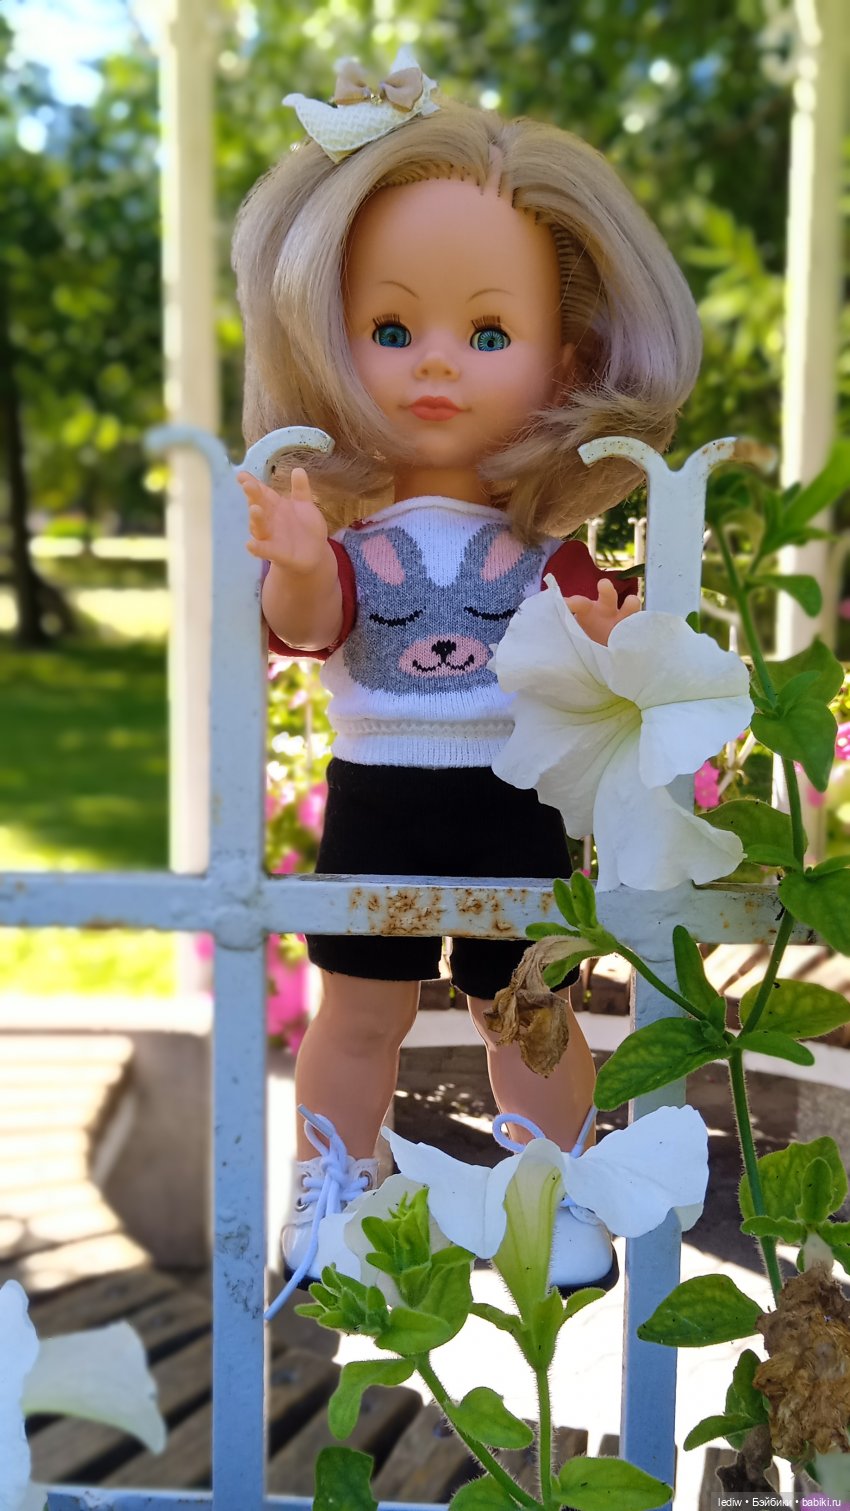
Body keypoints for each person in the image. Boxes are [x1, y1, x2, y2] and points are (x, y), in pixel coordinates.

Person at [231, 52, 702, 1303]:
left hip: (512, 795)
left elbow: (598, 652)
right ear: (326, 341)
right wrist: (296, 561)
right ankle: (333, 1182)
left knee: (527, 1013)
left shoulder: (544, 547)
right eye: (391, 330)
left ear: (564, 363)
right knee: (358, 1014)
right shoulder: (355, 537)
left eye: (488, 334)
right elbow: (313, 623)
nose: (435, 364)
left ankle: (555, 1190)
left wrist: (605, 630)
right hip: (379, 793)